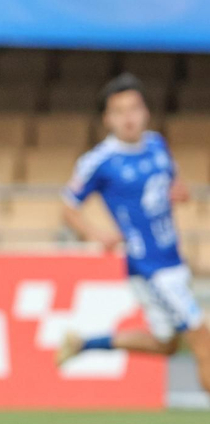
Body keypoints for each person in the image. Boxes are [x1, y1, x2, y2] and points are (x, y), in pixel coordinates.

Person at [57, 73, 210, 388]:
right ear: (107, 118)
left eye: (134, 108)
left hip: (173, 260)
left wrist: (178, 193)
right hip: (149, 266)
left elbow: (172, 183)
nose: (129, 117)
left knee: (167, 345)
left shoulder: (156, 144)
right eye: (119, 111)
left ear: (146, 112)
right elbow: (68, 208)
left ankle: (86, 344)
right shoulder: (100, 161)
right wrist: (97, 234)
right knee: (204, 342)